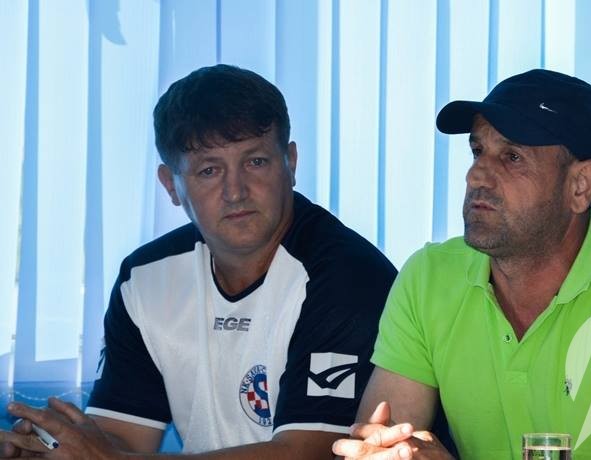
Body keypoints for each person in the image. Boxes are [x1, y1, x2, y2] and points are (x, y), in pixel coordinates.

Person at [0, 64, 397, 459]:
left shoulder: (349, 276)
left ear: (290, 163)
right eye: (209, 170)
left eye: (256, 162)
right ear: (170, 185)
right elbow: (121, 440)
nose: (236, 191)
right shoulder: (145, 278)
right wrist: (57, 451)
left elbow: (308, 453)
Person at [333, 69, 591, 459]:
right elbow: (381, 438)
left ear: (580, 185)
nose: (477, 175)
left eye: (512, 157)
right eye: (477, 151)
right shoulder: (428, 278)